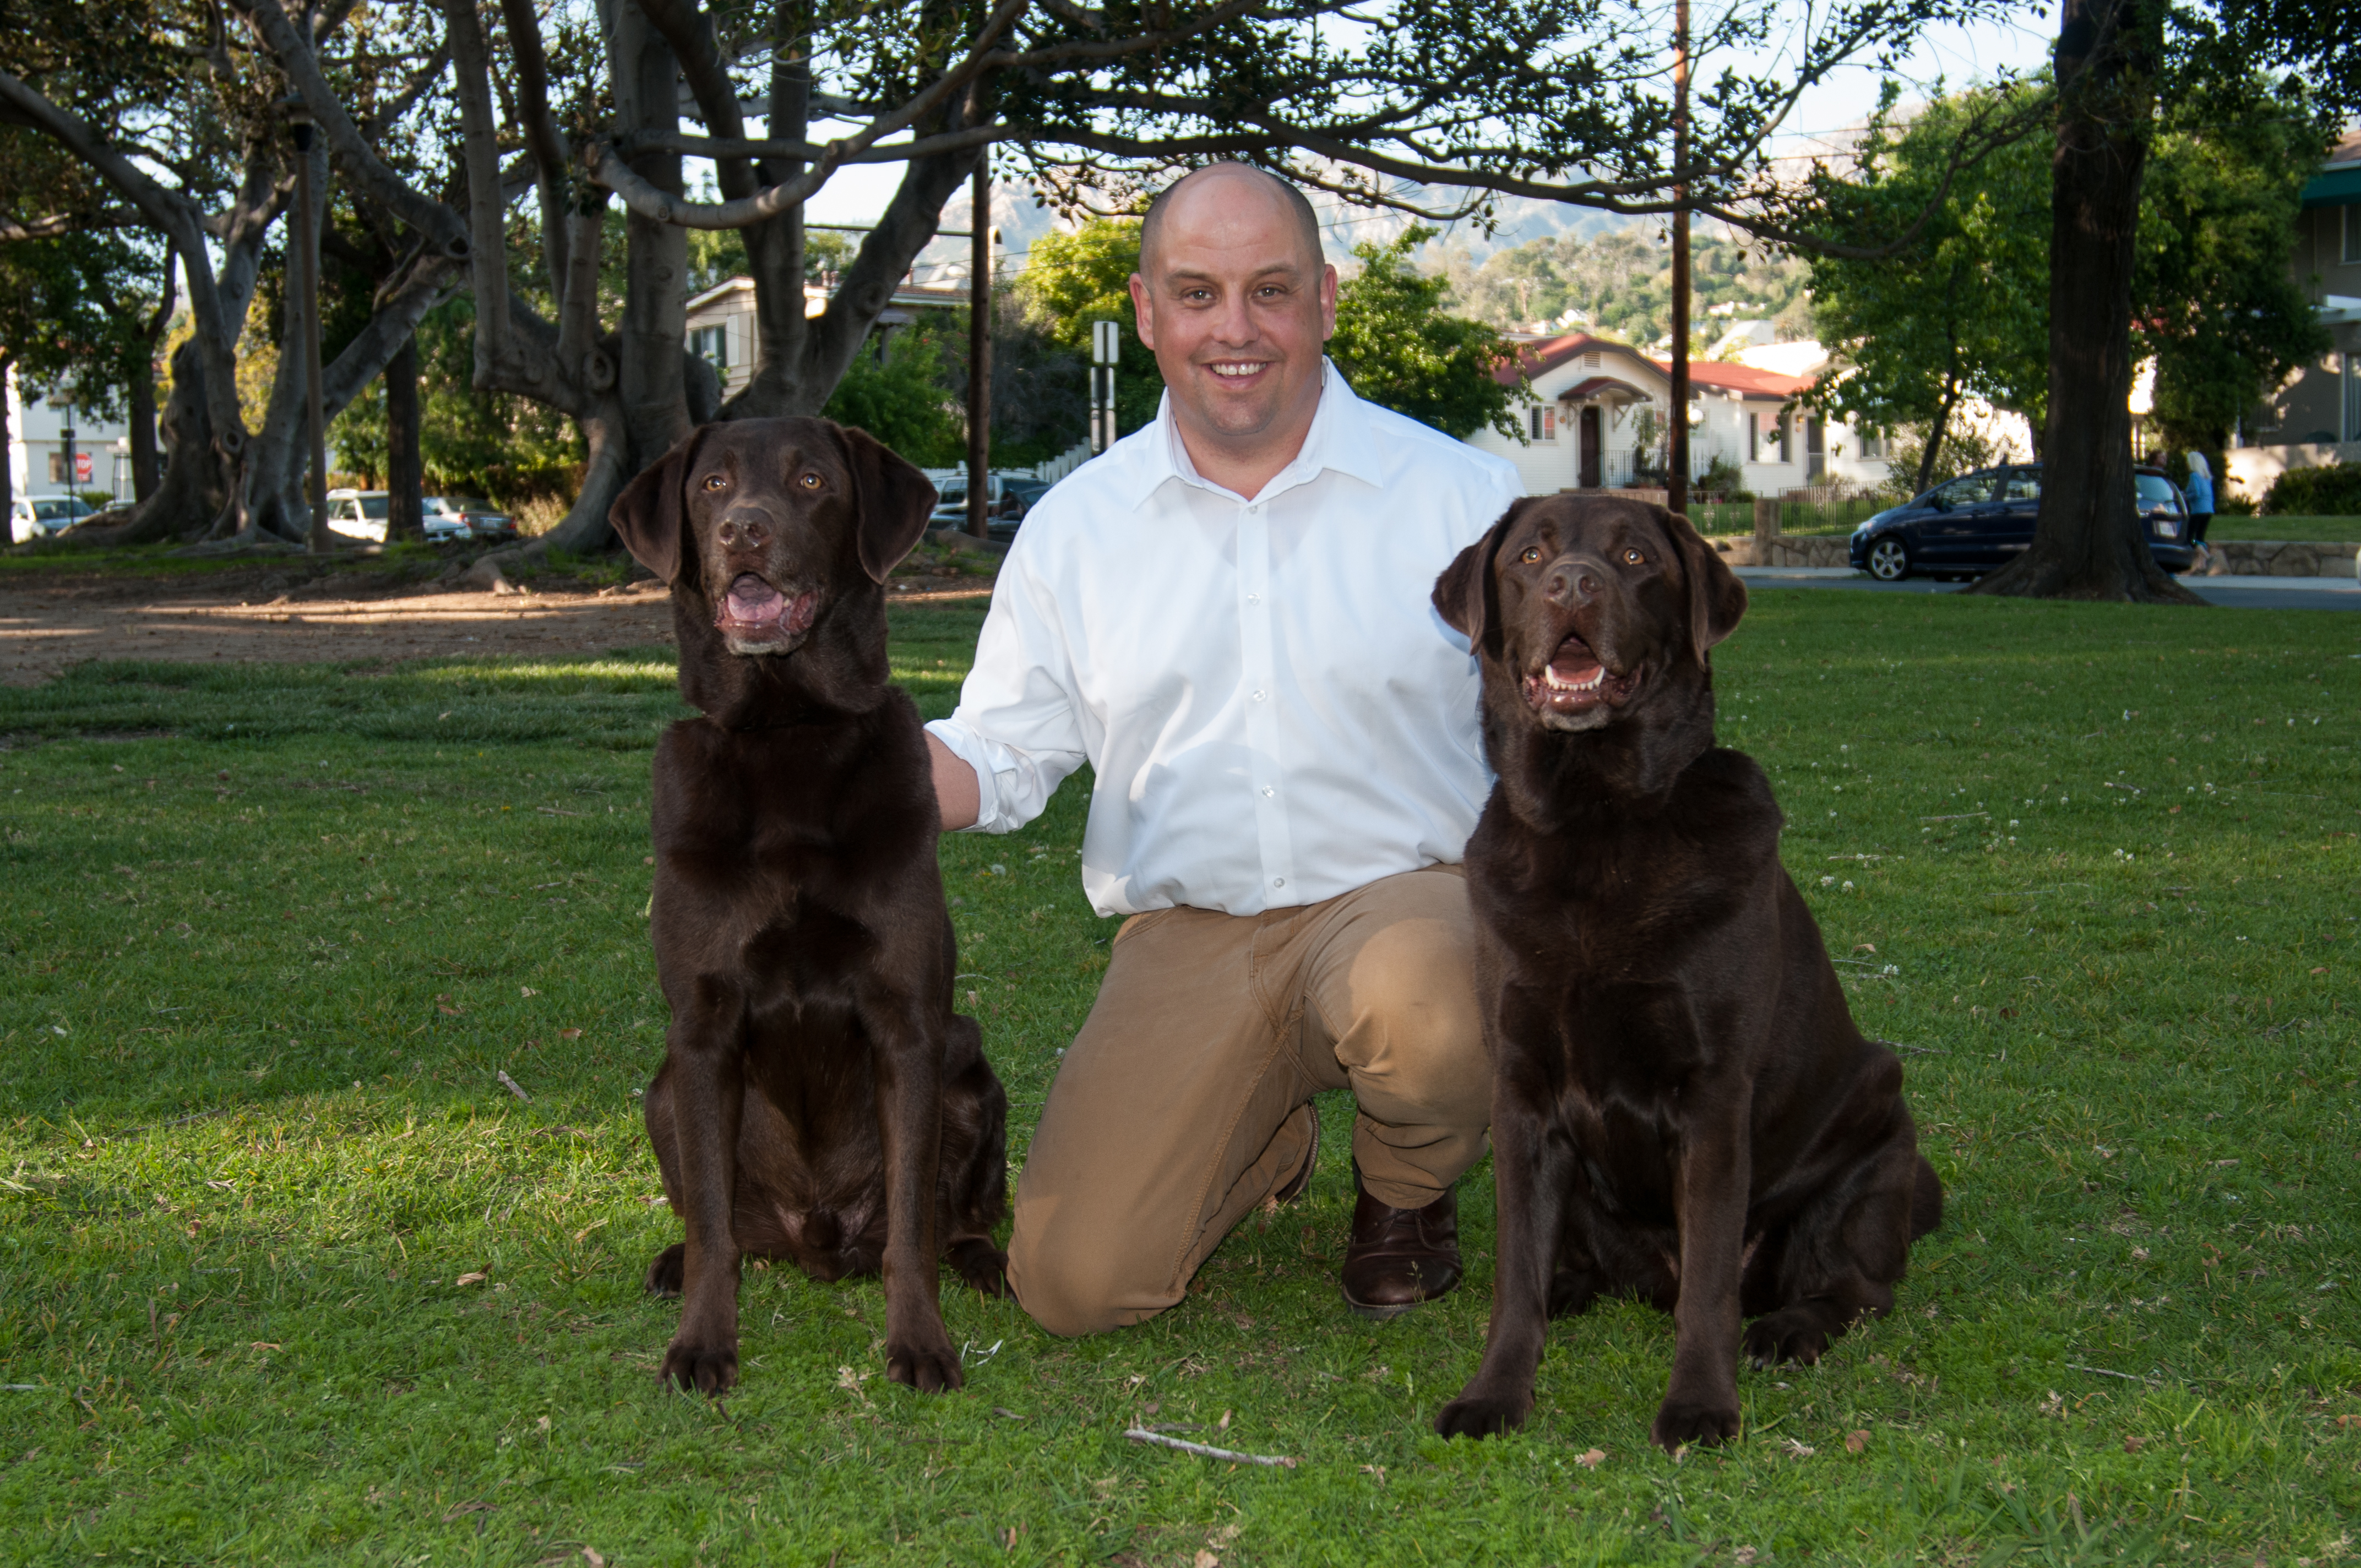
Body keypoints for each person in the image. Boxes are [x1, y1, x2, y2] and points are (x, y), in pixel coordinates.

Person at [924, 162, 1523, 1336]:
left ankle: (1404, 1195)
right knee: (1072, 1285)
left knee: (1429, 1007)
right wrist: (849, 774)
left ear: (1326, 302)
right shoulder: (1077, 529)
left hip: (1407, 909)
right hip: (1191, 935)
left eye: (1270, 290)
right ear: (1146, 312)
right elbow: (999, 746)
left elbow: (1549, 742)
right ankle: (1266, 1130)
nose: (1234, 329)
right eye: (1196, 294)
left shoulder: (1459, 496)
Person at [2184, 451, 2216, 569]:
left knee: (2189, 539)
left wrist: (2186, 496)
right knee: (2200, 538)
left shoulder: (2194, 475)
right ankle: (2202, 567)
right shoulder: (2206, 476)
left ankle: (2208, 558)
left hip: (2198, 510)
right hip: (2209, 510)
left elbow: (2196, 493)